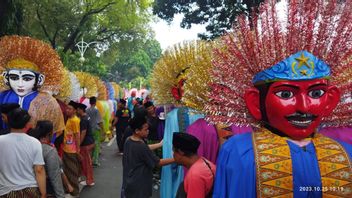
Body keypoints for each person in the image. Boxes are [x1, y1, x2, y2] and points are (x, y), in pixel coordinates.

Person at [209, 1, 352, 197]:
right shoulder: (239, 152)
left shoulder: (345, 154)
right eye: (286, 94)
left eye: (316, 93)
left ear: (330, 100)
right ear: (255, 102)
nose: (304, 107)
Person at [0, 35, 65, 140]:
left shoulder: (48, 102)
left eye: (27, 79)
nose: (20, 84)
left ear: (39, 79)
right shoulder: (2, 96)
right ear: (6, 78)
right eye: (14, 78)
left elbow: (52, 132)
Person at [122, 116, 175, 198]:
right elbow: (158, 162)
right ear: (137, 131)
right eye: (145, 130)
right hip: (139, 184)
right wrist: (176, 159)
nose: (148, 131)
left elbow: (145, 148)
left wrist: (159, 144)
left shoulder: (129, 140)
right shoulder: (140, 146)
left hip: (129, 180)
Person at [0, 108, 46, 197]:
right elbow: (39, 170)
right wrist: (43, 194)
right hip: (30, 190)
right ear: (26, 124)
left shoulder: (1, 141)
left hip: (6, 190)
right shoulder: (35, 142)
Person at [173, 133, 216, 198]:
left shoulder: (195, 175)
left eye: (173, 151)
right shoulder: (207, 162)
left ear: (180, 152)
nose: (173, 154)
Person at [29, 120, 65, 198]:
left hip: (31, 188)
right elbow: (55, 177)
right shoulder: (49, 150)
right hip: (47, 189)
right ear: (49, 134)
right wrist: (61, 196)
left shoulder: (30, 145)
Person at [62, 101, 81, 197]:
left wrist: (78, 150)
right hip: (66, 148)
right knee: (67, 170)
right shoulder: (69, 119)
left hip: (72, 150)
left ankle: (75, 193)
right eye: (67, 108)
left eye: (70, 109)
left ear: (74, 110)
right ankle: (70, 190)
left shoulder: (75, 120)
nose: (67, 110)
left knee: (72, 171)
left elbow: (77, 135)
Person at [75, 102, 95, 186]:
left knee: (86, 163)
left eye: (77, 110)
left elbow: (83, 133)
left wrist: (79, 144)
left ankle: (89, 181)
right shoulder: (87, 117)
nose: (76, 111)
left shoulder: (83, 120)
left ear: (80, 110)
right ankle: (88, 179)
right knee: (87, 162)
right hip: (90, 142)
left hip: (86, 144)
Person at [86, 96, 103, 166]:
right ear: (95, 102)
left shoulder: (87, 110)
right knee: (96, 145)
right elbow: (99, 121)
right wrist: (103, 130)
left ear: (90, 102)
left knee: (90, 145)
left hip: (89, 130)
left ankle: (89, 159)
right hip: (96, 129)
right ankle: (95, 161)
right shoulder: (96, 110)